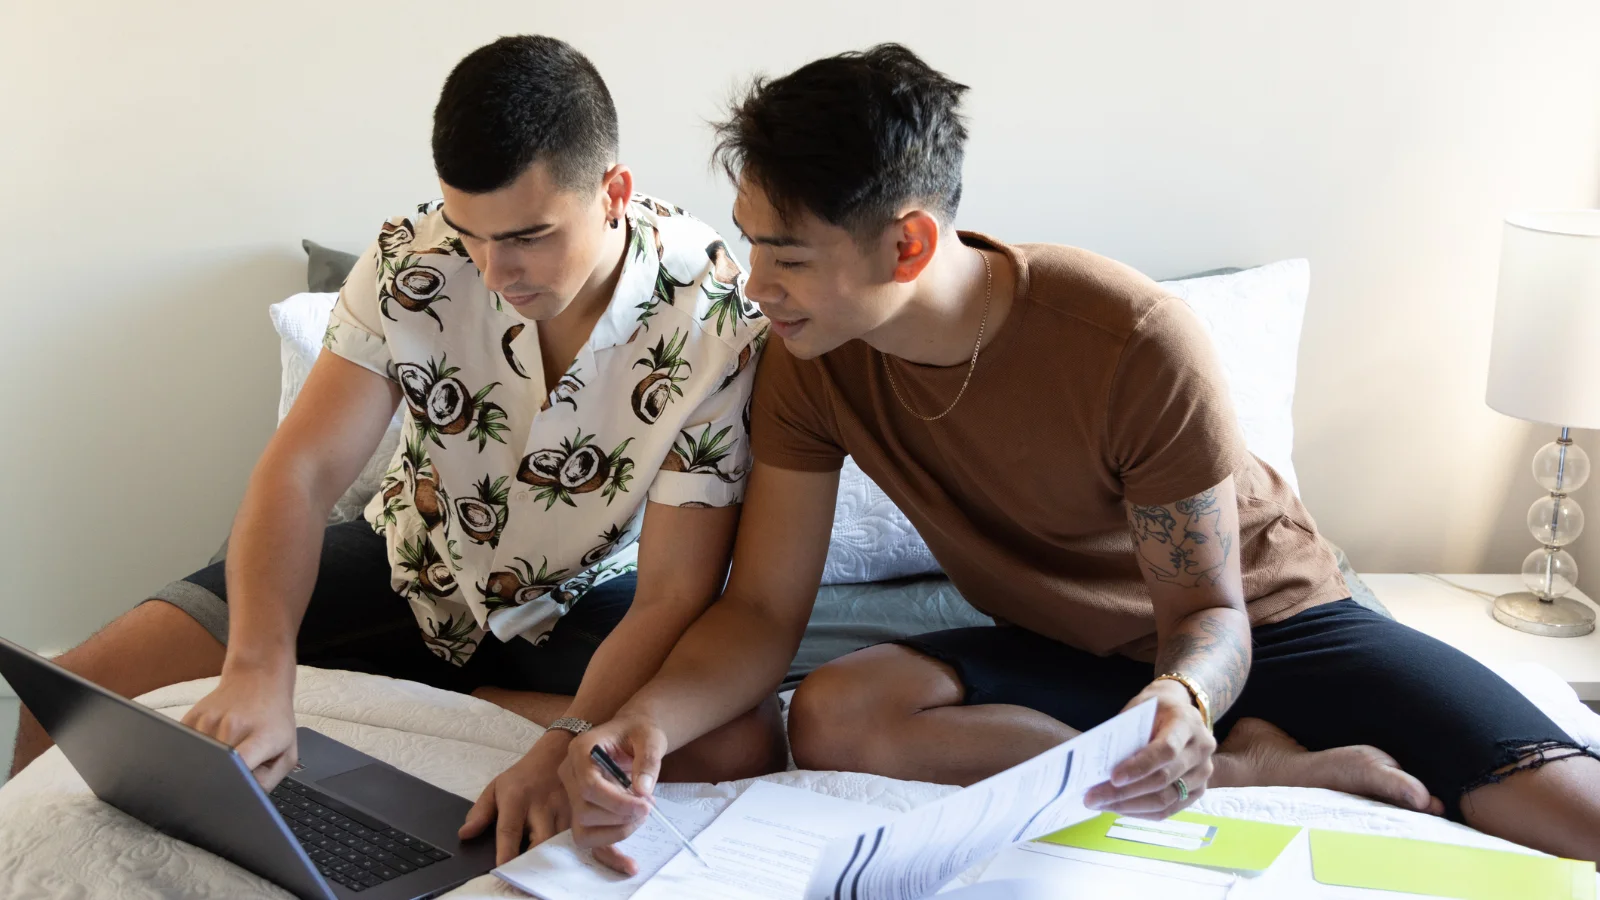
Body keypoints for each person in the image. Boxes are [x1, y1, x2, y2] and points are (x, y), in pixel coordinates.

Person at [561, 44, 1600, 873]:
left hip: (1271, 625)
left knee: (1567, 813)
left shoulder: (1133, 341)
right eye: (750, 244)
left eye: (785, 254)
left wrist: (1182, 700)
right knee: (836, 714)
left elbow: (1206, 614)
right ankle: (1247, 771)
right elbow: (759, 614)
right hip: (1062, 642)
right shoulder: (808, 357)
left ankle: (1217, 743)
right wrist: (639, 722)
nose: (756, 284)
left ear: (908, 246)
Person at [10, 35, 783, 865]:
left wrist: (564, 736)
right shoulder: (410, 258)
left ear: (613, 193)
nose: (495, 271)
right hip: (412, 559)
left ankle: (481, 698)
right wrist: (259, 667)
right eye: (472, 234)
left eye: (528, 236)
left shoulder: (716, 319)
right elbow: (303, 474)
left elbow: (671, 592)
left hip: (581, 606)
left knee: (737, 744)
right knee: (77, 686)